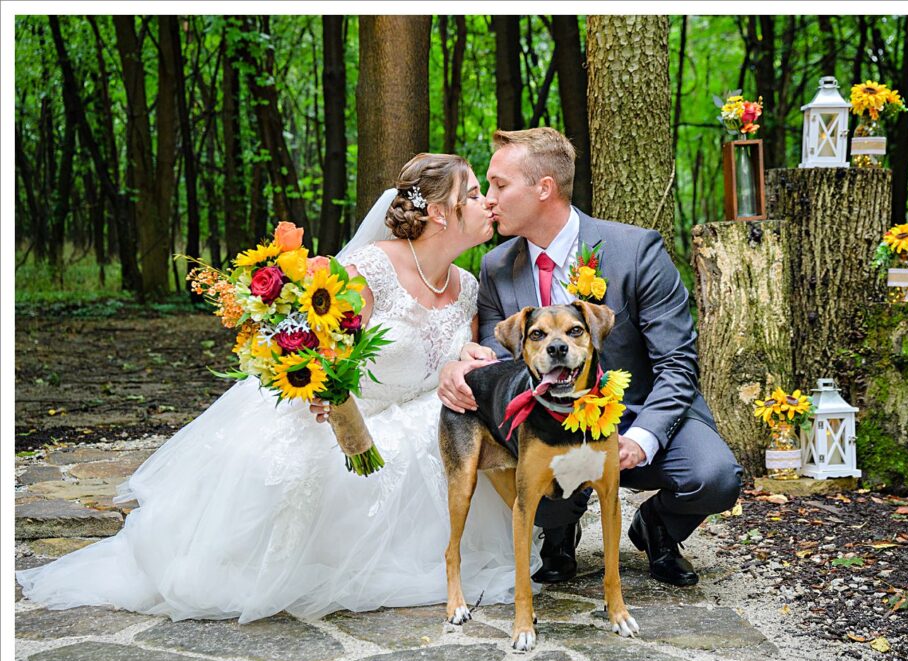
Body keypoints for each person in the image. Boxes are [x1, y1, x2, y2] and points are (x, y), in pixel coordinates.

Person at [17, 153, 539, 624]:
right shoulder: (370, 270)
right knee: (303, 479)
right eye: (473, 194)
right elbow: (317, 354)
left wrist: (467, 359)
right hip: (342, 415)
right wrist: (327, 393)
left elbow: (450, 361)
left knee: (441, 447)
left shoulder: (468, 286)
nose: (487, 203)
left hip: (417, 415)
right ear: (442, 212)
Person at [438, 127, 743, 587]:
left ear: (544, 189)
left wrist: (640, 438)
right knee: (532, 477)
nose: (490, 199)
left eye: (500, 185)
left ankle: (657, 526)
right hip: (549, 422)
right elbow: (499, 361)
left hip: (640, 410)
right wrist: (462, 361)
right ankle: (558, 531)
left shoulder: (637, 250)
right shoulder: (496, 267)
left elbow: (677, 364)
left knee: (715, 477)